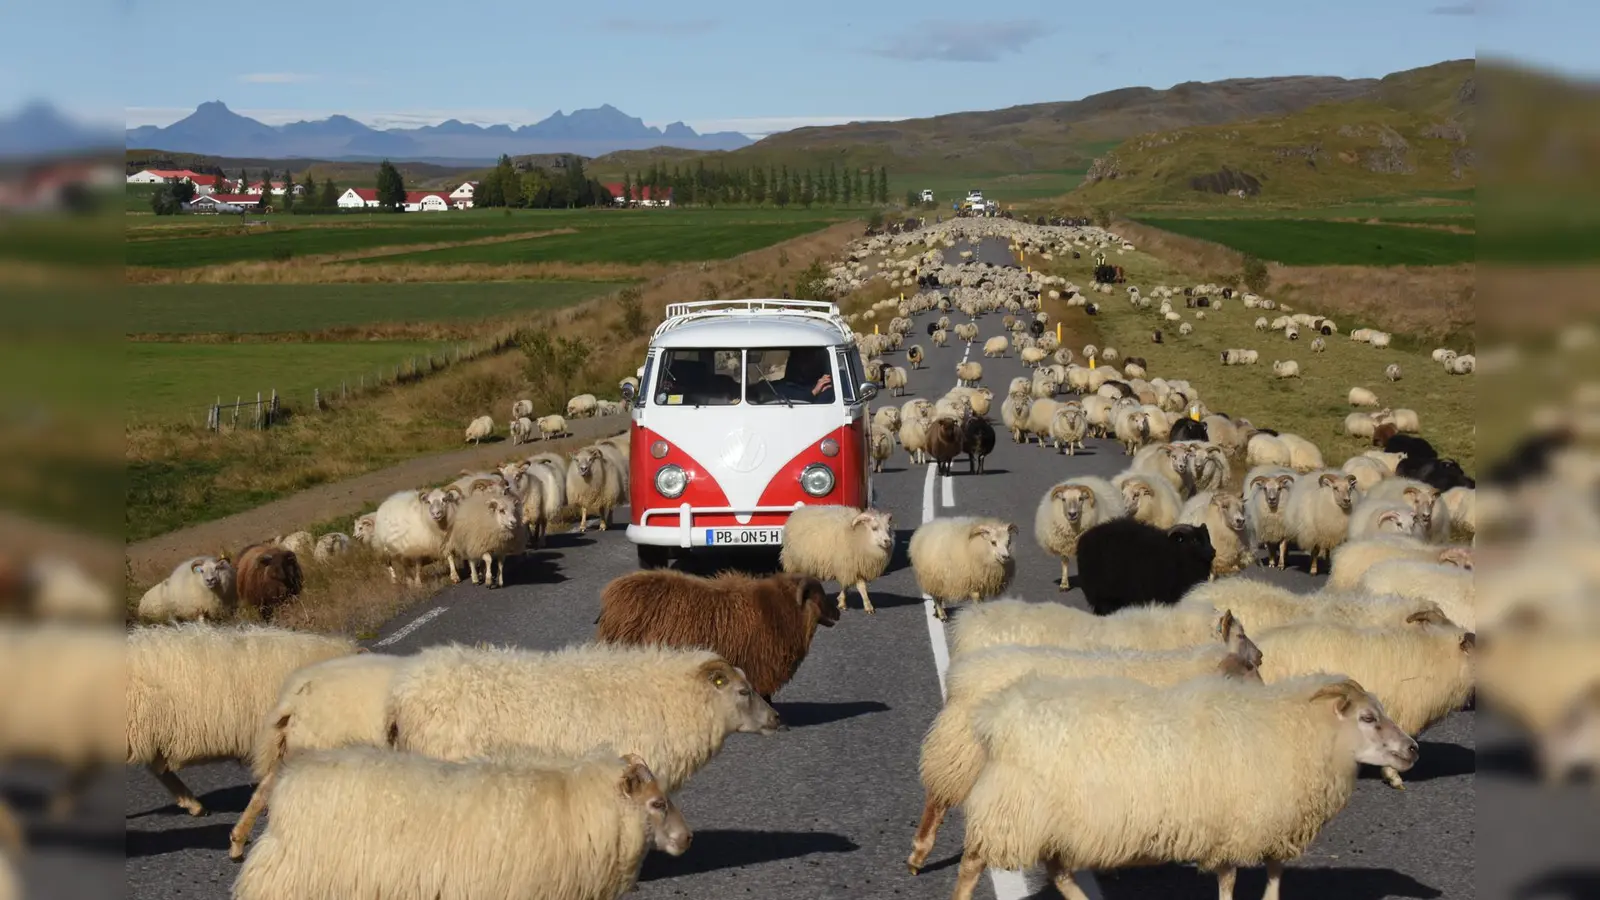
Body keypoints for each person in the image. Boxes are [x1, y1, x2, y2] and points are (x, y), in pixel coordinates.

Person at [763, 348, 834, 404]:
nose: (803, 365)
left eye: (807, 360)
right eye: (799, 358)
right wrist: (812, 393)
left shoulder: (825, 387)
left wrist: (814, 392)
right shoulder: (778, 386)